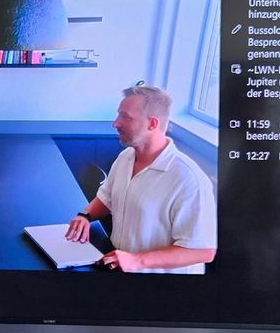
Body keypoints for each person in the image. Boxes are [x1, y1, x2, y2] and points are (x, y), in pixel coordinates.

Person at [65, 84, 216, 273]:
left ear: (152, 124)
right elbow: (106, 199)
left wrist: (137, 261)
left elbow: (203, 251)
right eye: (118, 115)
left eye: (125, 117)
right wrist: (85, 215)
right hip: (119, 265)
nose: (115, 123)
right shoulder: (125, 157)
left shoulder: (190, 180)